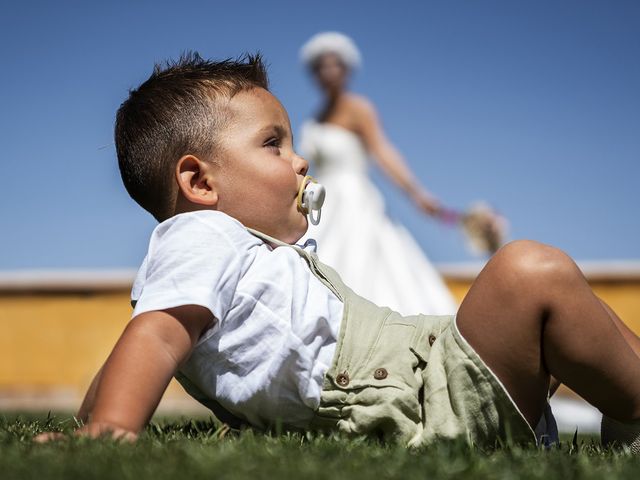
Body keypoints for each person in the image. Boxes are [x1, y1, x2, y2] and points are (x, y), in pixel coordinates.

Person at [35, 53, 640, 452]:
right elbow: (155, 336)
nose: (299, 161)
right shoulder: (202, 235)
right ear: (199, 184)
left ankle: (627, 413)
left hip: (426, 371)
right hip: (421, 396)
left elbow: (137, 337)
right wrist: (107, 431)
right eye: (273, 144)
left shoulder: (228, 251)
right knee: (531, 270)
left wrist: (88, 416)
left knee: (575, 311)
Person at [298, 32, 457, 316]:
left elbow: (383, 152)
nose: (327, 71)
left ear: (346, 70)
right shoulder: (314, 118)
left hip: (355, 198)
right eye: (321, 66)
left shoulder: (359, 109)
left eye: (334, 64)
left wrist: (416, 193)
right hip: (321, 202)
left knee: (364, 261)